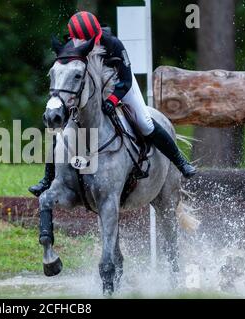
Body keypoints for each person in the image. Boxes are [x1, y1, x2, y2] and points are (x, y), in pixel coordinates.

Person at [29, 11, 196, 197]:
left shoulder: (113, 44)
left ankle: (180, 162)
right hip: (88, 90)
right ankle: (47, 178)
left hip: (118, 83)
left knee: (144, 122)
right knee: (62, 127)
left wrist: (113, 100)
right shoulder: (70, 47)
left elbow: (125, 79)